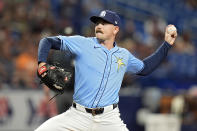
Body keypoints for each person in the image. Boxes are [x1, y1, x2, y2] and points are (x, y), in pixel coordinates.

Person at [35, 10, 177, 131]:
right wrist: (41, 63)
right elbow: (47, 41)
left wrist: (166, 45)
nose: (99, 26)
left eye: (104, 23)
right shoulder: (82, 43)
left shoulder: (123, 55)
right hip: (78, 115)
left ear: (115, 29)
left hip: (109, 119)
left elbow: (145, 68)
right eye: (97, 23)